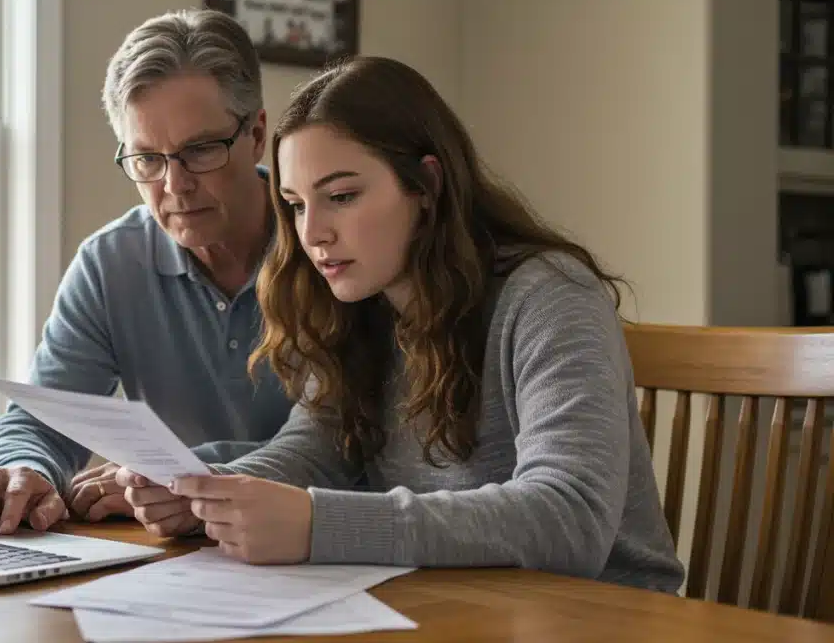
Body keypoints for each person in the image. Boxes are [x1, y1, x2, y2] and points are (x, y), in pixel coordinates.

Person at [116, 55, 687, 594]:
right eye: (295, 204)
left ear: (426, 186)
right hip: (455, 605)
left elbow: (570, 519)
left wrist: (320, 523)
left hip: (603, 615)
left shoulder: (550, 297)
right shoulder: (362, 304)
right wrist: (205, 489)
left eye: (341, 196)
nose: (313, 233)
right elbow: (313, 450)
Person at [0, 9, 295, 535]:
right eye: (147, 160)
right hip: (175, 561)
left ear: (257, 134)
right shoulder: (109, 263)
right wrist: (24, 466)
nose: (175, 185)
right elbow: (47, 416)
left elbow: (350, 445)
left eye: (201, 150)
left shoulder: (330, 250)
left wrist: (179, 474)